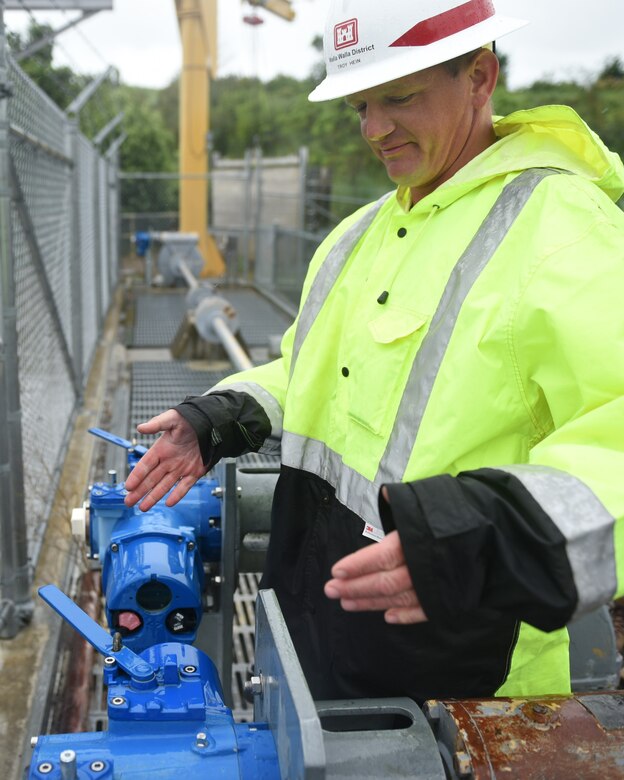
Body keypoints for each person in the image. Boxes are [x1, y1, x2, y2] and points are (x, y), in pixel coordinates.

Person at [125, 0, 624, 702]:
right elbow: (313, 370)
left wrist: (487, 538)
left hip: (457, 674)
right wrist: (222, 418)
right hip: (316, 620)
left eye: (400, 97)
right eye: (361, 105)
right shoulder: (361, 233)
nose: (375, 129)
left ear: (481, 77)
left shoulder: (565, 231)